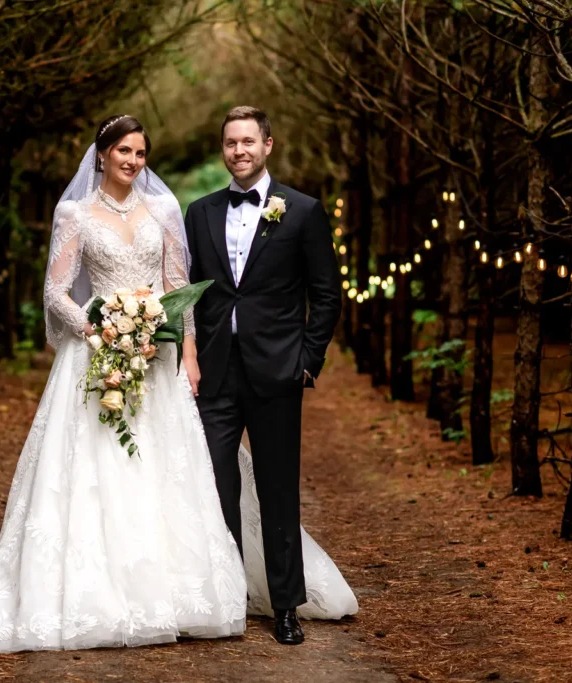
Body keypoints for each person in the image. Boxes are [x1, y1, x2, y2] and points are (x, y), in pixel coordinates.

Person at [0, 115, 356, 652]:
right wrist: (102, 328)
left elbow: (189, 290)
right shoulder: (127, 212)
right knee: (167, 480)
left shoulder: (195, 210)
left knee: (252, 486)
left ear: (267, 144)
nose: (132, 160)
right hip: (121, 359)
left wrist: (214, 355)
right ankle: (181, 593)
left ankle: (275, 604)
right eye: (123, 150)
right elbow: (72, 292)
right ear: (101, 154)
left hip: (204, 363)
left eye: (140, 152)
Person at [185, 106, 344, 645]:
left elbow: (326, 293)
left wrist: (308, 360)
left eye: (249, 141)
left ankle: (284, 607)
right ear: (223, 149)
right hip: (215, 374)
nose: (239, 151)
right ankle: (228, 598)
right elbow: (193, 292)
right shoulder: (199, 212)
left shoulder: (302, 211)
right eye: (231, 143)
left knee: (278, 492)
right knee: (217, 487)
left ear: (268, 145)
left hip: (278, 371)